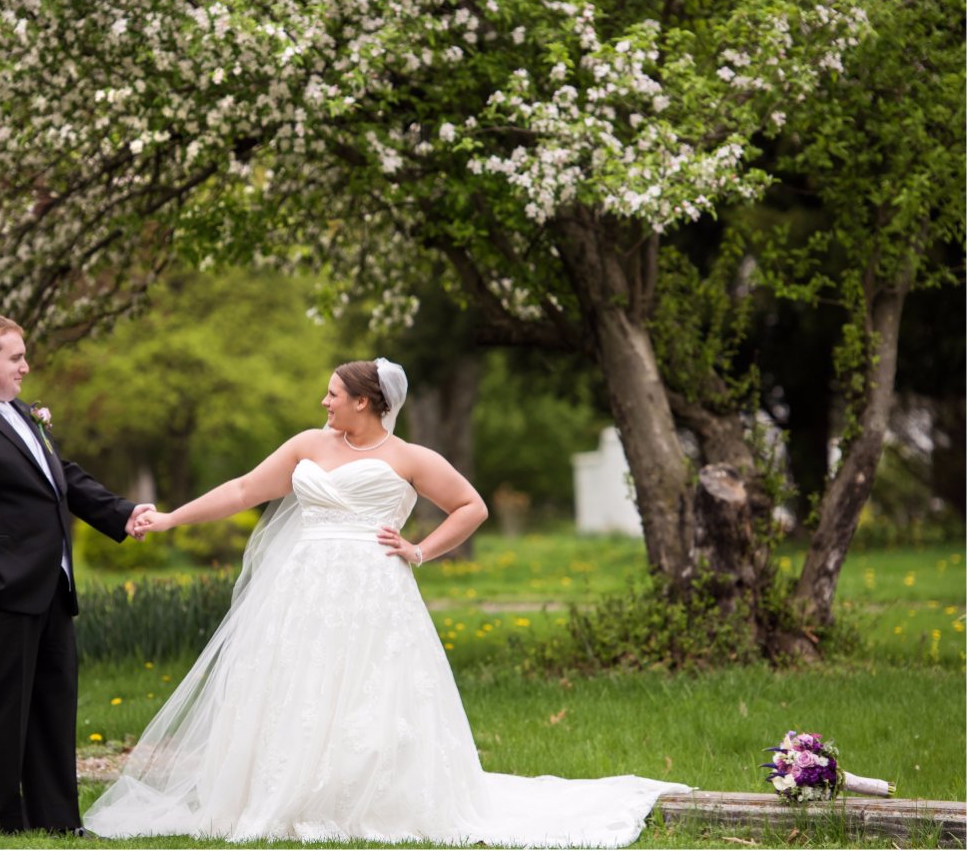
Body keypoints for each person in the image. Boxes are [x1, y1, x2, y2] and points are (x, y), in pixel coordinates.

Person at [82, 358, 690, 847]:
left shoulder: (408, 458)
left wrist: (421, 550)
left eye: (332, 394)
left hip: (375, 588)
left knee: (371, 690)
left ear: (364, 402)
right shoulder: (306, 447)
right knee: (295, 685)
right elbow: (244, 489)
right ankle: (282, 793)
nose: (323, 403)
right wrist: (169, 521)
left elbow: (471, 506)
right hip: (300, 587)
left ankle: (368, 796)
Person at [0, 312, 152, 834]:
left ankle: (59, 823)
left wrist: (121, 513)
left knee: (52, 708)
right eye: (16, 357)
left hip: (50, 588)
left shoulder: (20, 412)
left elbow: (62, 479)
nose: (25, 366)